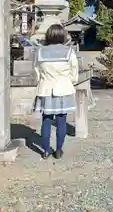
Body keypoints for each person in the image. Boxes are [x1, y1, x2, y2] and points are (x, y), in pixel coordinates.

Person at [33, 24, 79, 159]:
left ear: (48, 35)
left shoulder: (40, 51)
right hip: (63, 89)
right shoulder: (69, 52)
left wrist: (42, 81)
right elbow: (74, 73)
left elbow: (36, 71)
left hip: (45, 89)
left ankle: (46, 150)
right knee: (61, 121)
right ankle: (58, 150)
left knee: (46, 120)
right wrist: (68, 81)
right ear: (63, 36)